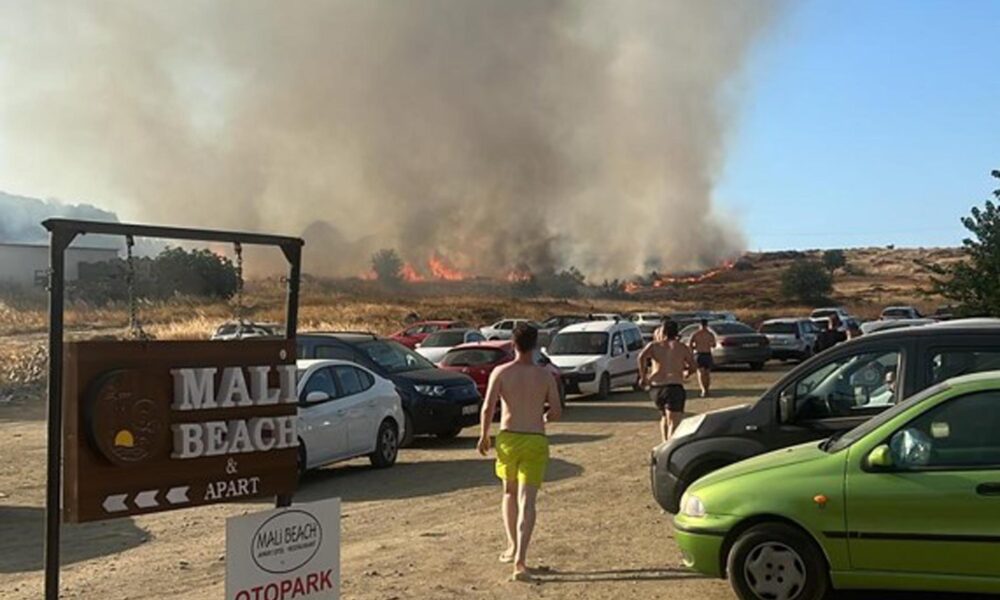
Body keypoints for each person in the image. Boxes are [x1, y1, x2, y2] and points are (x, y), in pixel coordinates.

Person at [477, 323, 562, 582]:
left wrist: (484, 435)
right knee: (528, 500)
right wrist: (544, 417)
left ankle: (512, 545)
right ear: (535, 346)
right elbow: (557, 411)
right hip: (535, 438)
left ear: (513, 344)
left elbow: (488, 407)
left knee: (509, 493)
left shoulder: (501, 372)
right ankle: (521, 560)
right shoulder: (545, 375)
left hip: (508, 438)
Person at [638, 320, 695, 442]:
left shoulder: (654, 346)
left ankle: (664, 443)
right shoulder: (681, 347)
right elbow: (693, 366)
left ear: (663, 332)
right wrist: (687, 373)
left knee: (664, 416)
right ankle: (669, 447)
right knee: (674, 422)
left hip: (656, 388)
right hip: (673, 386)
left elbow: (641, 357)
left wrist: (643, 376)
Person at [689, 319, 717, 397]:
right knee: (706, 373)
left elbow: (690, 345)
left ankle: (704, 390)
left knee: (702, 373)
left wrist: (694, 348)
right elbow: (714, 345)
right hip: (706, 354)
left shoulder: (696, 334)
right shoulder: (710, 334)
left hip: (700, 354)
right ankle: (706, 390)